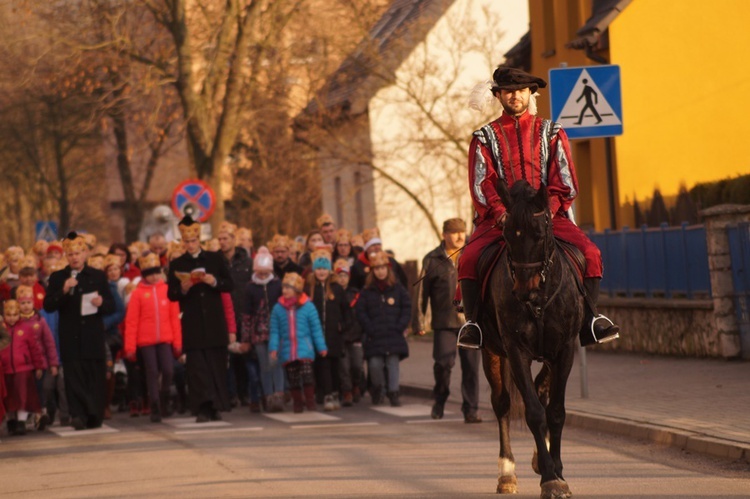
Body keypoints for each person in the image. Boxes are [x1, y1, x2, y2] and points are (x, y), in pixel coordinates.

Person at [457, 66, 620, 349]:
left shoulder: (552, 132)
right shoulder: (484, 137)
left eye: (520, 91)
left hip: (549, 217)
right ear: (498, 96)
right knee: (468, 259)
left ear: (530, 93)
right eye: (508, 92)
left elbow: (565, 180)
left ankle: (591, 319)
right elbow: (482, 183)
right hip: (501, 221)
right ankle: (473, 325)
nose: (515, 96)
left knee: (591, 254)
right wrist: (501, 214)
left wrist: (546, 211)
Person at [43, 232, 115, 431]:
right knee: (74, 377)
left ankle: (94, 414)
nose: (74, 257)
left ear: (85, 254)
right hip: (70, 335)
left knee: (94, 375)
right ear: (66, 255)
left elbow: (111, 305)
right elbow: (48, 305)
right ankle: (78, 415)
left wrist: (101, 303)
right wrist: (63, 291)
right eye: (71, 254)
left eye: (78, 253)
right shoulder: (58, 277)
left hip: (92, 335)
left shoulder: (97, 276)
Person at [413, 218, 482, 423]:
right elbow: (420, 293)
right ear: (444, 235)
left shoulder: (473, 254)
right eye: (454, 232)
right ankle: (440, 398)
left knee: (471, 369)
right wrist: (419, 322)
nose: (460, 236)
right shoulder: (432, 259)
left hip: (470, 322)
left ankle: (471, 409)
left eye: (462, 232)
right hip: (444, 322)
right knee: (443, 364)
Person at [167, 216, 234, 423]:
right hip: (193, 323)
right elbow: (171, 294)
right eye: (186, 242)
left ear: (199, 239)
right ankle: (202, 408)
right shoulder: (177, 263)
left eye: (193, 241)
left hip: (214, 322)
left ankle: (216, 406)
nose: (190, 244)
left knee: (216, 365)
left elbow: (229, 284)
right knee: (197, 369)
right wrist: (183, 288)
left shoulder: (214, 259)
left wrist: (214, 281)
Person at [124, 253, 182, 423]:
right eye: (150, 272)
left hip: (165, 338)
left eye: (156, 272)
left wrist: (177, 343)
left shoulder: (167, 290)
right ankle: (155, 403)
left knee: (168, 370)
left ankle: (164, 397)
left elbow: (174, 318)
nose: (154, 276)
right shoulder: (138, 294)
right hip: (146, 341)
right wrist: (130, 347)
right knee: (152, 371)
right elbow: (132, 322)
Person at [355, 250, 411, 407]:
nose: (380, 272)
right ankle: (378, 389)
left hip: (394, 333)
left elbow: (406, 307)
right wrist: (369, 328)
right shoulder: (367, 291)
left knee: (393, 364)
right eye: (377, 269)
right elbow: (361, 311)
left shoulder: (397, 289)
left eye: (383, 268)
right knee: (375, 365)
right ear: (373, 271)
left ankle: (394, 392)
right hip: (375, 335)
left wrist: (401, 325)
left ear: (388, 269)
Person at [269, 272, 327, 413]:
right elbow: (275, 330)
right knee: (293, 378)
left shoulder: (308, 306)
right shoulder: (278, 308)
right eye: (284, 287)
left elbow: (316, 328)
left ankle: (310, 401)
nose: (285, 290)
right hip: (287, 349)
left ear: (297, 289)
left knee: (307, 375)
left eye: (289, 287)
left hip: (304, 348)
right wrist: (274, 348)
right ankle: (298, 403)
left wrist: (321, 346)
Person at [240, 247, 285, 413]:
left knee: (277, 363)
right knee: (265, 366)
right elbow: (246, 315)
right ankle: (267, 396)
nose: (263, 277)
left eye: (266, 273)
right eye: (260, 273)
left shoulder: (278, 285)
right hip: (258, 334)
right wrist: (246, 338)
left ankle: (278, 395)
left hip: (277, 332)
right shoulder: (250, 288)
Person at [305, 248, 349, 411]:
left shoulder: (336, 289)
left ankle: (335, 391)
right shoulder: (310, 288)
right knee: (321, 366)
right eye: (318, 268)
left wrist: (343, 326)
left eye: (324, 268)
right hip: (316, 336)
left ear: (329, 270)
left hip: (334, 335)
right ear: (314, 270)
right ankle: (327, 394)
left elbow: (346, 311)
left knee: (334, 365)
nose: (321, 272)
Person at [217, 221, 254, 409]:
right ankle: (230, 395)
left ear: (233, 239)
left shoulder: (246, 261)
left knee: (244, 357)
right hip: (223, 318)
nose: (222, 242)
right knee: (227, 359)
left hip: (243, 315)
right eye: (220, 239)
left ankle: (245, 393)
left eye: (226, 238)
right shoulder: (214, 261)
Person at [16, 285, 60, 430]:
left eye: (29, 302)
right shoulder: (15, 323)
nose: (26, 306)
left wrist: (54, 363)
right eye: (23, 303)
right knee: (23, 391)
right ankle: (22, 418)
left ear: (33, 303)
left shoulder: (40, 321)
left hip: (40, 364)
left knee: (41, 389)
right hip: (21, 364)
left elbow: (49, 343)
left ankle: (41, 414)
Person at [1, 300, 45, 435]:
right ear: (4, 315)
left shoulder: (26, 328)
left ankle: (21, 422)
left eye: (15, 314)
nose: (12, 318)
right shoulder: (2, 329)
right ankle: (11, 421)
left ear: (19, 314)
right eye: (9, 315)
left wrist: (38, 366)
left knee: (23, 396)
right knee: (8, 397)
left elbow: (34, 349)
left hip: (23, 368)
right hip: (5, 369)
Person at [333, 258, 364, 406]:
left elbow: (362, 314)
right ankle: (347, 391)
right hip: (341, 337)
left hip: (356, 335)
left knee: (357, 365)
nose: (342, 279)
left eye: (345, 276)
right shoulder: (333, 293)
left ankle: (356, 384)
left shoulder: (356, 294)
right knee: (343, 367)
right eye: (339, 276)